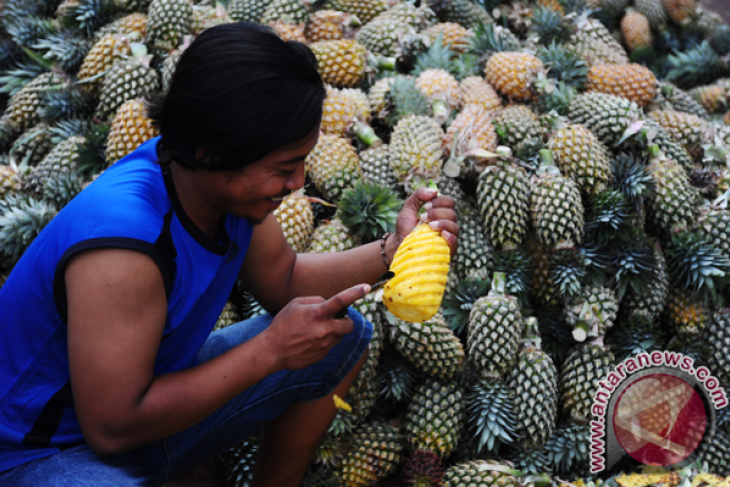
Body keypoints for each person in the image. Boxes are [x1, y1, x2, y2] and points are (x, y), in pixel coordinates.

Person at [0, 22, 459, 486]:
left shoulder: (217, 189)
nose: (299, 182)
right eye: (283, 168)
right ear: (212, 154)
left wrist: (393, 251)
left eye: (302, 162)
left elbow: (285, 279)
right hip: (38, 453)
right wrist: (270, 351)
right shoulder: (125, 247)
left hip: (146, 412)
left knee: (339, 333)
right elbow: (111, 428)